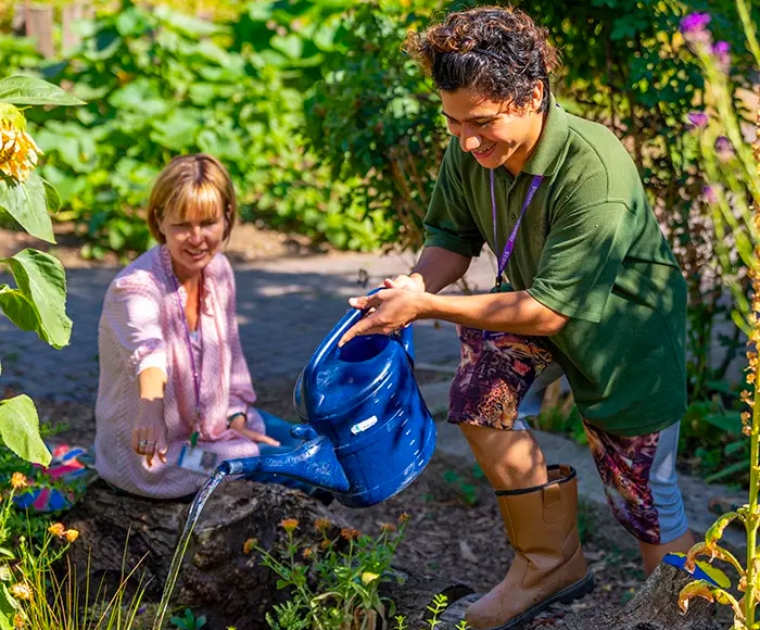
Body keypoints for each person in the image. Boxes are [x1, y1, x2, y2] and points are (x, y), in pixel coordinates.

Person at [339, 6, 694, 630]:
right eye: (452, 122)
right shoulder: (470, 147)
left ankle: (683, 614)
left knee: (644, 499)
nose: (467, 141)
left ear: (531, 95)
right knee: (481, 399)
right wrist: (419, 280)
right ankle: (547, 563)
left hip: (625, 337)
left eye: (481, 123)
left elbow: (551, 309)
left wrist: (424, 305)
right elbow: (451, 234)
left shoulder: (594, 168)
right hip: (535, 309)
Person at [95, 154, 306, 500]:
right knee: (297, 468)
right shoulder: (133, 288)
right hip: (157, 454)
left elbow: (232, 356)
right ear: (160, 221)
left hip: (214, 424)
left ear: (227, 217)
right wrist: (151, 410)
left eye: (207, 222)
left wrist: (236, 418)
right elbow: (148, 351)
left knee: (310, 443)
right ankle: (327, 547)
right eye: (182, 226)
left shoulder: (219, 270)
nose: (196, 239)